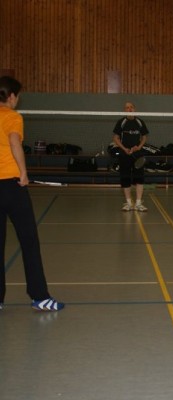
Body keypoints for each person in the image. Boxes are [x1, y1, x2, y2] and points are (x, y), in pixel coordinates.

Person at [0, 76, 64, 312]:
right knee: (29, 242)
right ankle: (39, 296)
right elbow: (14, 142)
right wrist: (23, 172)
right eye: (17, 96)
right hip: (12, 186)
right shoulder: (13, 117)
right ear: (11, 97)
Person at [113, 102, 149, 211]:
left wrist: (139, 147)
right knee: (125, 178)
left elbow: (144, 137)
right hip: (124, 153)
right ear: (124, 110)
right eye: (127, 107)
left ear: (134, 109)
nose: (129, 109)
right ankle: (128, 203)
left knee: (140, 178)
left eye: (131, 107)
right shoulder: (121, 122)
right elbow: (115, 138)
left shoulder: (140, 122)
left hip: (137, 153)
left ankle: (138, 203)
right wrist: (124, 148)